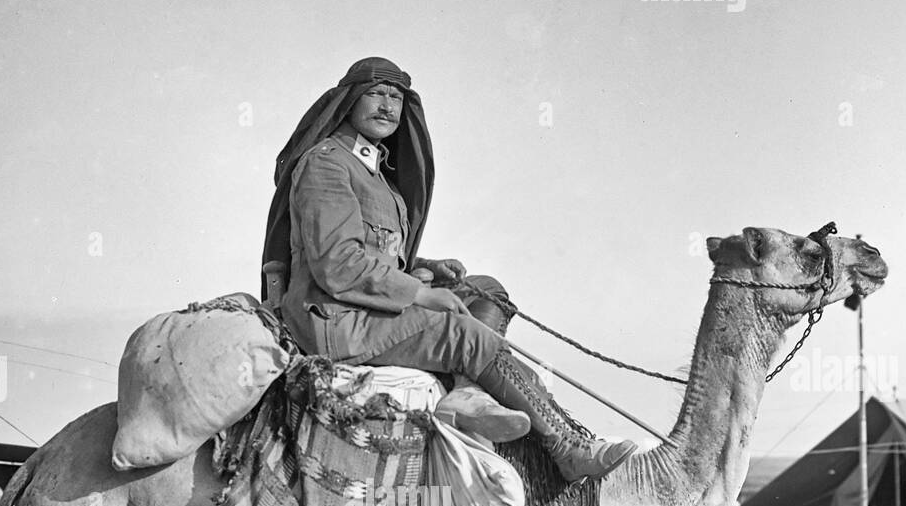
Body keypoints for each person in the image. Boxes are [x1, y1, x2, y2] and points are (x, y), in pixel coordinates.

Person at [262, 56, 636, 481]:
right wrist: (419, 293)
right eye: (376, 94)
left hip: (364, 307)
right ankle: (568, 449)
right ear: (348, 101)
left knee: (485, 289)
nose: (388, 106)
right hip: (335, 319)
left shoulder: (375, 173)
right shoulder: (327, 163)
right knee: (467, 336)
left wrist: (425, 269)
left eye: (396, 98)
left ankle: (466, 394)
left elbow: (374, 250)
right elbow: (336, 262)